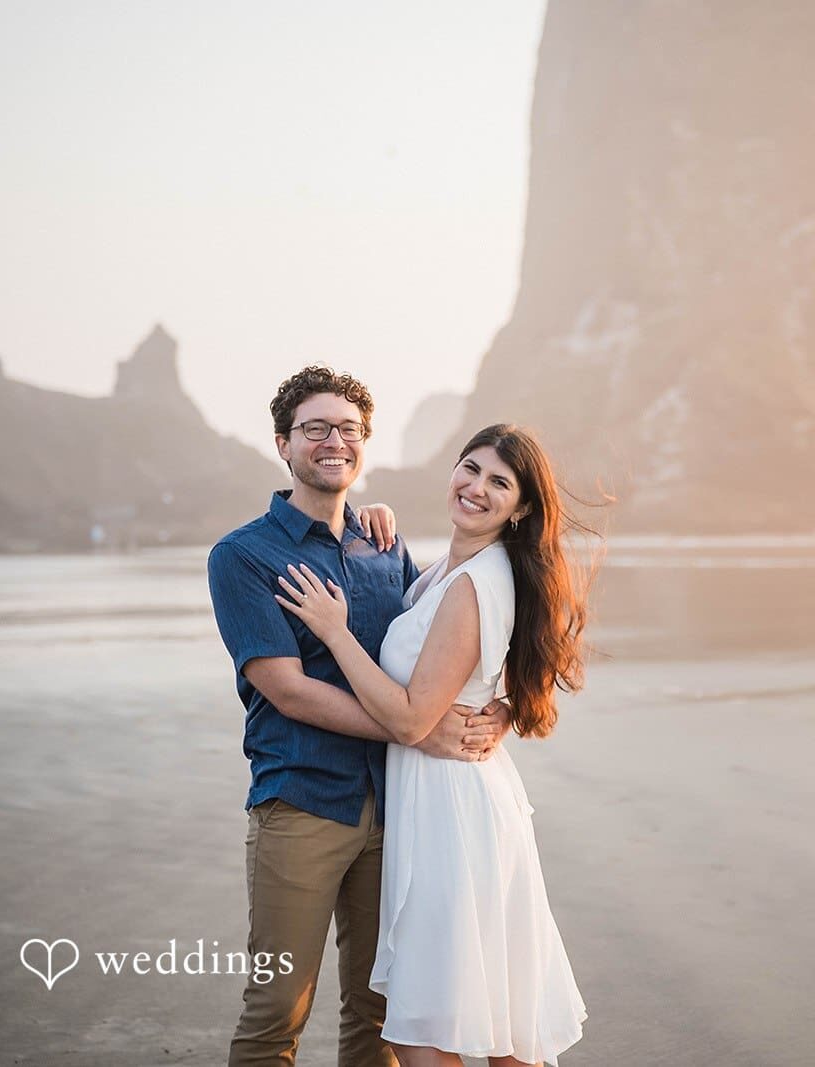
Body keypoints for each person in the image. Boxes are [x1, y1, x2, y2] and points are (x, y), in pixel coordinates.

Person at [207, 366, 512, 1067]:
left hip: (401, 808)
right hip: (302, 800)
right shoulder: (243, 555)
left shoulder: (383, 544)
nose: (332, 441)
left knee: (380, 1010)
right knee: (275, 1009)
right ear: (283, 443)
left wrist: (497, 707)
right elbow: (287, 689)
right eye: (315, 428)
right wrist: (418, 728)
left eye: (347, 428)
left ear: (363, 444)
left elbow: (435, 650)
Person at [274, 423, 590, 1066]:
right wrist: (371, 519)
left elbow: (415, 719)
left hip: (453, 811)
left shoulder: (477, 582)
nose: (476, 488)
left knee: (432, 1026)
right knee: (486, 1011)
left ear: (523, 506)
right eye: (469, 468)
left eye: (499, 482)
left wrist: (336, 634)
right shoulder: (455, 568)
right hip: (453, 800)